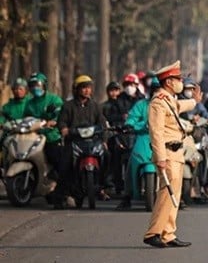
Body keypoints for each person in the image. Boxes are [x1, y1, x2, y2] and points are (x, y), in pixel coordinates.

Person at [143, 61, 195, 248]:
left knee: (175, 195)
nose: (180, 82)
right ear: (168, 82)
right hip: (167, 152)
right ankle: (153, 232)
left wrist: (194, 101)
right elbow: (155, 132)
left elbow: (179, 106)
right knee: (167, 194)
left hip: (176, 152)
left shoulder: (168, 99)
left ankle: (168, 233)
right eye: (177, 79)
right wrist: (160, 157)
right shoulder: (158, 102)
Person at [54, 75, 107, 208]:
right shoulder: (68, 106)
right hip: (74, 141)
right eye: (83, 88)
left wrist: (104, 140)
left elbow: (102, 123)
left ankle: (103, 187)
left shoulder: (95, 106)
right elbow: (62, 121)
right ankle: (59, 197)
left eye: (88, 88)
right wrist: (64, 128)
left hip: (92, 141)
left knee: (107, 156)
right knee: (64, 166)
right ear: (77, 90)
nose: (86, 91)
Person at [117, 78, 160, 210]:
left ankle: (178, 196)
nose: (157, 92)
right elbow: (132, 118)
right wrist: (130, 125)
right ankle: (127, 196)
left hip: (164, 139)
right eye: (155, 89)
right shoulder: (141, 105)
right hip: (144, 137)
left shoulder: (170, 105)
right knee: (132, 162)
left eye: (160, 89)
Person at [23, 73, 63, 200]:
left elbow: (61, 113)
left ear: (44, 85)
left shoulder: (53, 99)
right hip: (34, 136)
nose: (35, 88)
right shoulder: (29, 103)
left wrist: (54, 121)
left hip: (51, 135)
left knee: (55, 159)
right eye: (32, 85)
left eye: (38, 85)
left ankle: (59, 186)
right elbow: (25, 119)